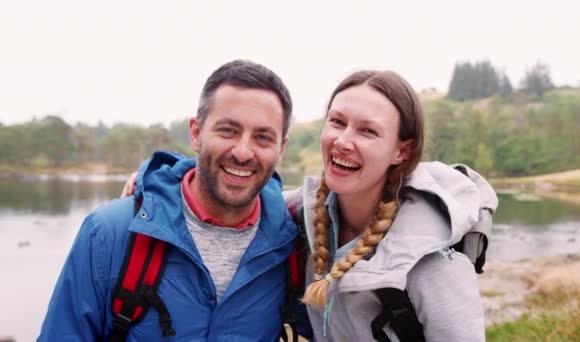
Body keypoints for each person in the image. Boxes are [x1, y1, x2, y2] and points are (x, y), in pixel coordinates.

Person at [122, 69, 498, 341]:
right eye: (337, 122)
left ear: (401, 150)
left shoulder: (435, 264)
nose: (344, 141)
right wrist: (164, 178)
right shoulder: (304, 214)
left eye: (368, 131)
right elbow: (241, 184)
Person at [38, 60, 300, 341]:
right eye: (228, 131)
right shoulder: (108, 233)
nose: (243, 152)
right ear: (196, 133)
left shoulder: (294, 245)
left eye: (262, 137)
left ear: (281, 148)